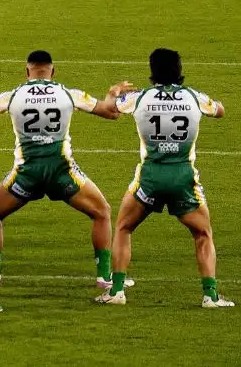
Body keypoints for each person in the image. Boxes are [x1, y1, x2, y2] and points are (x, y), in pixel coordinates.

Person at [0, 52, 134, 289]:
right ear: (53, 71)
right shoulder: (68, 93)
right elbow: (111, 113)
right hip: (62, 171)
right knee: (102, 212)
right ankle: (104, 277)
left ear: (27, 72)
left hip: (27, 174)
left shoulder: (13, 95)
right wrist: (111, 95)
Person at [98, 48, 232, 308]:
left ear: (152, 71)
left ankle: (116, 292)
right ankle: (211, 295)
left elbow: (109, 109)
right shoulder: (193, 97)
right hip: (183, 178)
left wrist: (114, 91)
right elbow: (220, 110)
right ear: (179, 70)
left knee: (124, 228)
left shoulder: (139, 98)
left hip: (150, 178)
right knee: (203, 233)